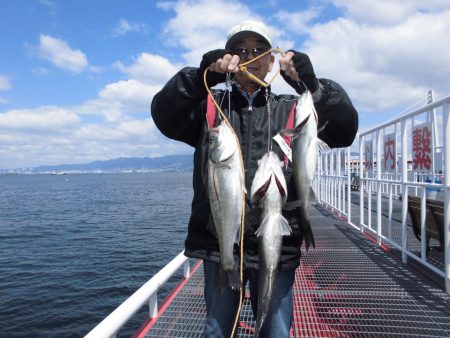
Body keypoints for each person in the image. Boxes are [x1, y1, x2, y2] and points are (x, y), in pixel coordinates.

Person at [151, 20, 358, 338]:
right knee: (217, 331)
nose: (251, 55)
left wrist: (314, 87)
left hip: (277, 243)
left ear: (273, 60)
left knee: (275, 331)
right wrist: (199, 76)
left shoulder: (293, 109)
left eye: (259, 49)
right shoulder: (210, 108)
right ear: (229, 59)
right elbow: (163, 113)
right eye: (241, 50)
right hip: (219, 248)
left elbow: (345, 130)